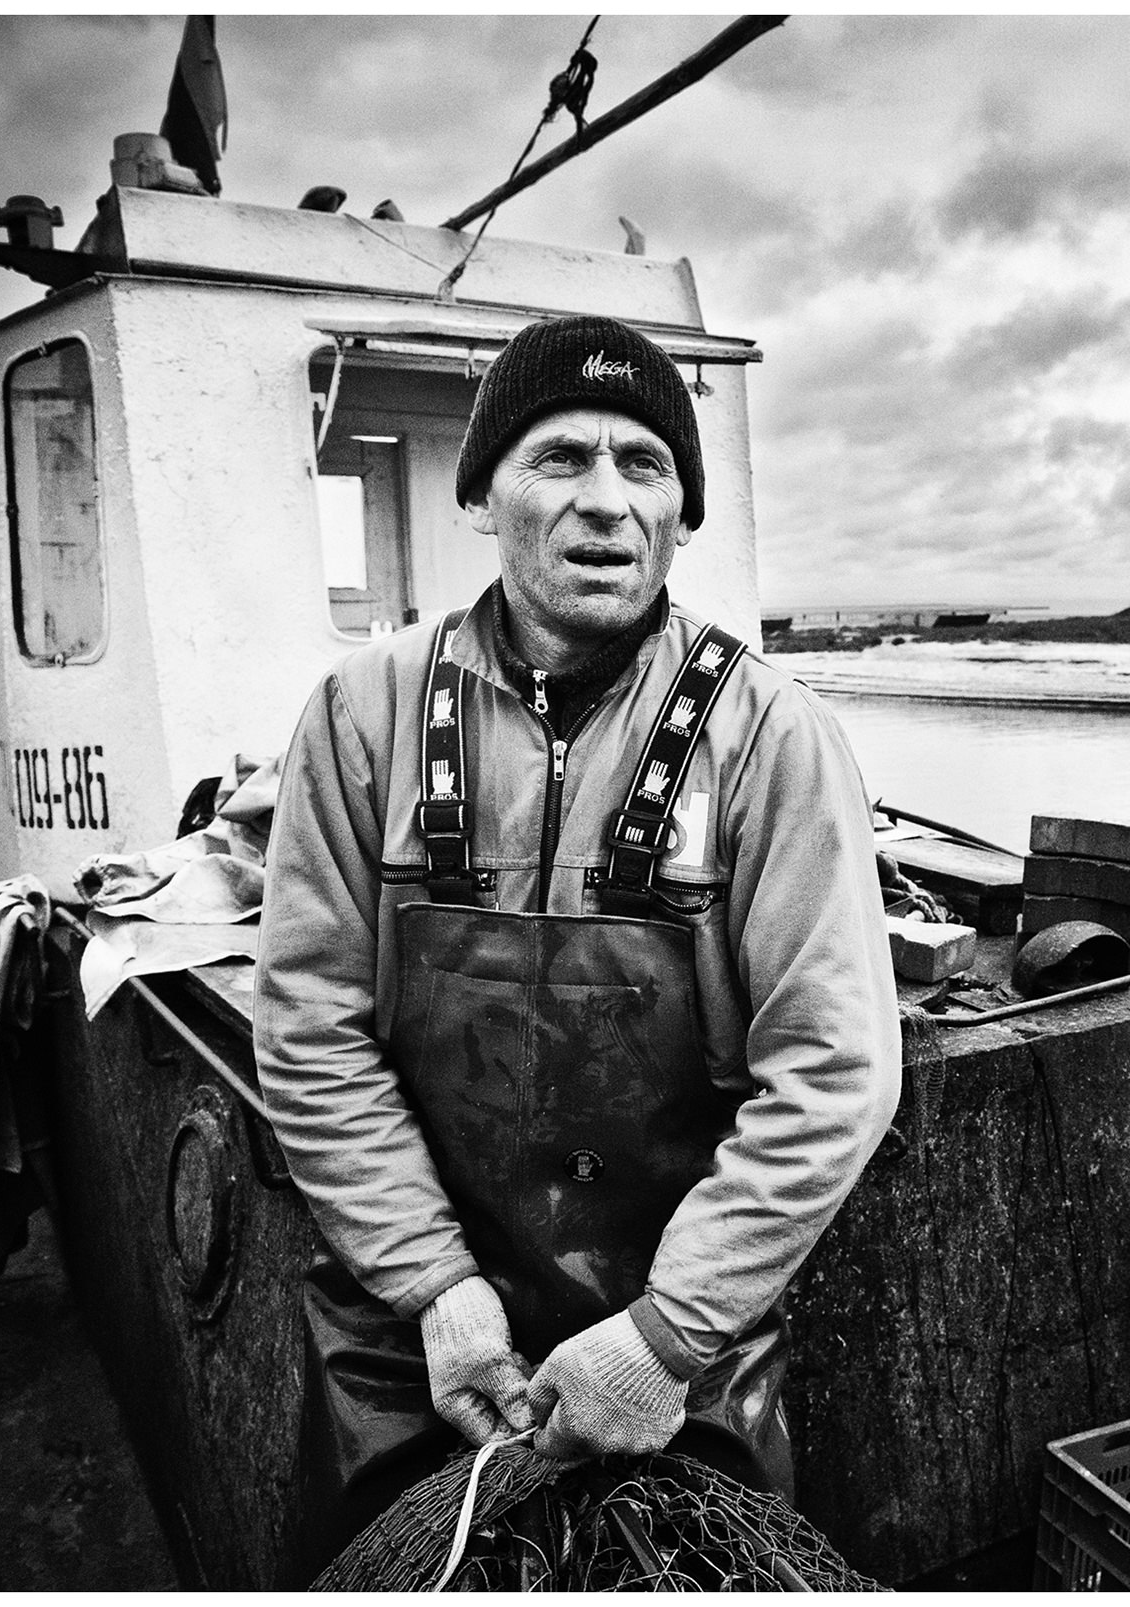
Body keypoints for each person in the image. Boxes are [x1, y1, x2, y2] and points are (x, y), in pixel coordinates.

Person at [254, 314, 902, 1572]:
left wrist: (665, 1336)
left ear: (681, 510)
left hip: (682, 1338)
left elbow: (836, 1071)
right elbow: (308, 1021)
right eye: (560, 458)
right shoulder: (362, 711)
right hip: (409, 1339)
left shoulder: (775, 735)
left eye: (642, 464)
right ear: (483, 494)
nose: (605, 501)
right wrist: (432, 1284)